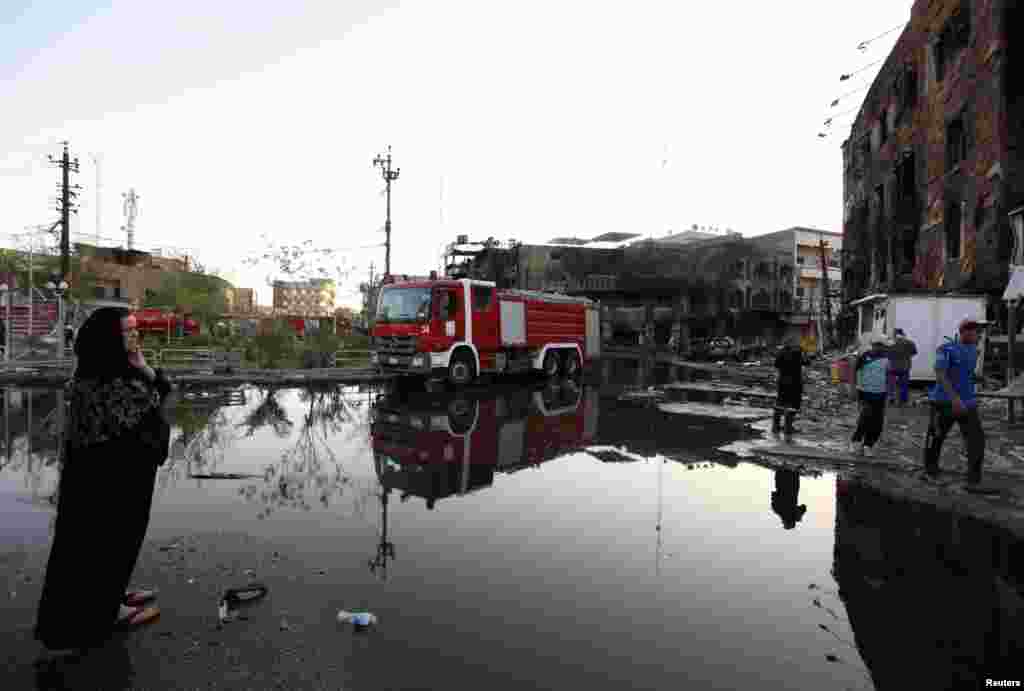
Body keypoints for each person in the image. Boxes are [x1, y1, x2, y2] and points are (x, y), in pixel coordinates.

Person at [34, 307, 173, 661]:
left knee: (115, 546)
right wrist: (150, 385)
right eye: (127, 331)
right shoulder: (101, 382)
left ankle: (111, 596)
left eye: (135, 330)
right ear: (108, 338)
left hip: (121, 480)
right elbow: (154, 405)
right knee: (104, 546)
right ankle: (103, 615)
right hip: (107, 487)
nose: (134, 337)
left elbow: (158, 393)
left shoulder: (116, 370)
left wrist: (144, 368)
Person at [923, 317, 990, 490]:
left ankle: (973, 481)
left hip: (967, 403)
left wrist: (982, 379)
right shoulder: (946, 349)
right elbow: (940, 374)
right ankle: (929, 472)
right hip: (944, 402)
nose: (980, 336)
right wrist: (954, 399)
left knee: (977, 440)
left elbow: (965, 374)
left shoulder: (974, 350)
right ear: (965, 332)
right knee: (936, 438)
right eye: (977, 332)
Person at [850, 337, 890, 457]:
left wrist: (890, 391)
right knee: (865, 418)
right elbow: (853, 371)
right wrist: (853, 388)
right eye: (876, 345)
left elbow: (888, 375)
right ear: (872, 345)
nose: (878, 347)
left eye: (881, 345)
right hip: (865, 392)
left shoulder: (887, 358)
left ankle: (868, 445)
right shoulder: (864, 356)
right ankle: (855, 441)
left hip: (881, 393)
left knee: (877, 422)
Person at [773, 339, 804, 438]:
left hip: (782, 382)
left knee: (780, 403)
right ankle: (788, 428)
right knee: (792, 405)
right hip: (795, 383)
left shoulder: (781, 353)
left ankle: (776, 427)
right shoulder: (798, 353)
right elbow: (807, 361)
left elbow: (776, 365)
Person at [887, 328, 918, 407]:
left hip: (892, 367)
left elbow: (887, 354)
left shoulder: (890, 343)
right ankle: (903, 400)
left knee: (891, 383)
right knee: (904, 385)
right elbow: (914, 352)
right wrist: (906, 356)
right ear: (903, 334)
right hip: (905, 367)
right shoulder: (909, 343)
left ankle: (891, 397)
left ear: (895, 334)